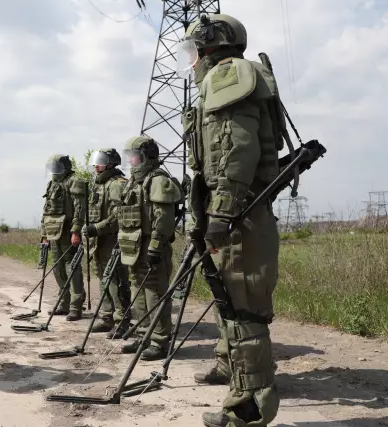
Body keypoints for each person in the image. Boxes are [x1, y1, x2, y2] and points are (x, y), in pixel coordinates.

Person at [179, 13, 283, 427]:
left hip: (239, 213)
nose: (190, 60)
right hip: (237, 210)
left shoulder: (227, 75)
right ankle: (235, 374)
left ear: (211, 44)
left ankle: (249, 409)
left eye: (193, 50)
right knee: (232, 302)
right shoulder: (229, 77)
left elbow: (233, 150)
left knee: (244, 310)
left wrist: (221, 212)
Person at [116, 136, 183, 361]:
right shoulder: (134, 183)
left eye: (134, 157)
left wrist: (155, 245)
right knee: (138, 292)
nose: (131, 161)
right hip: (134, 249)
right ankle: (144, 335)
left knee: (155, 293)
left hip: (152, 248)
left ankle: (160, 341)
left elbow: (163, 218)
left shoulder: (157, 181)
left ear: (146, 157)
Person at [82, 149, 131, 338]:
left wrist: (97, 228)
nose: (96, 165)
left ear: (111, 164)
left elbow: (120, 215)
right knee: (104, 278)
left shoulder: (117, 185)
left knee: (116, 280)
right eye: (95, 162)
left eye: (100, 162)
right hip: (99, 240)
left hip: (113, 239)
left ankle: (122, 321)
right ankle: (107, 317)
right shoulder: (99, 184)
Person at [40, 154, 87, 321]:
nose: (55, 171)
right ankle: (63, 303)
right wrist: (44, 234)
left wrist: (76, 231)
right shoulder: (52, 184)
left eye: (57, 167)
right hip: (54, 232)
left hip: (68, 231)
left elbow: (79, 208)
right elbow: (47, 210)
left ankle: (76, 305)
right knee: (57, 267)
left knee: (72, 267)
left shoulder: (75, 181)